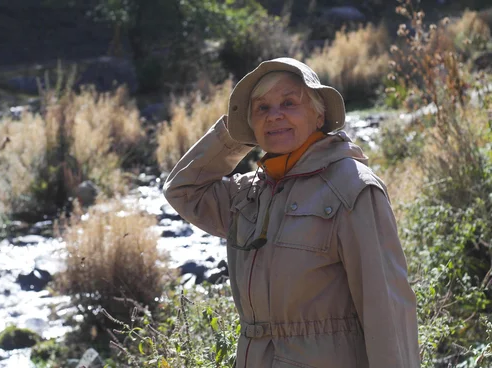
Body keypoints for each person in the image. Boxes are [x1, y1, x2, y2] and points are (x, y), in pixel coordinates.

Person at [163, 58, 420, 368]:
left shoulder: (352, 188)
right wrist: (237, 131)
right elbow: (183, 190)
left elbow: (387, 311)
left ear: (319, 113)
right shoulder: (249, 193)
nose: (275, 116)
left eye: (289, 103)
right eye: (262, 108)